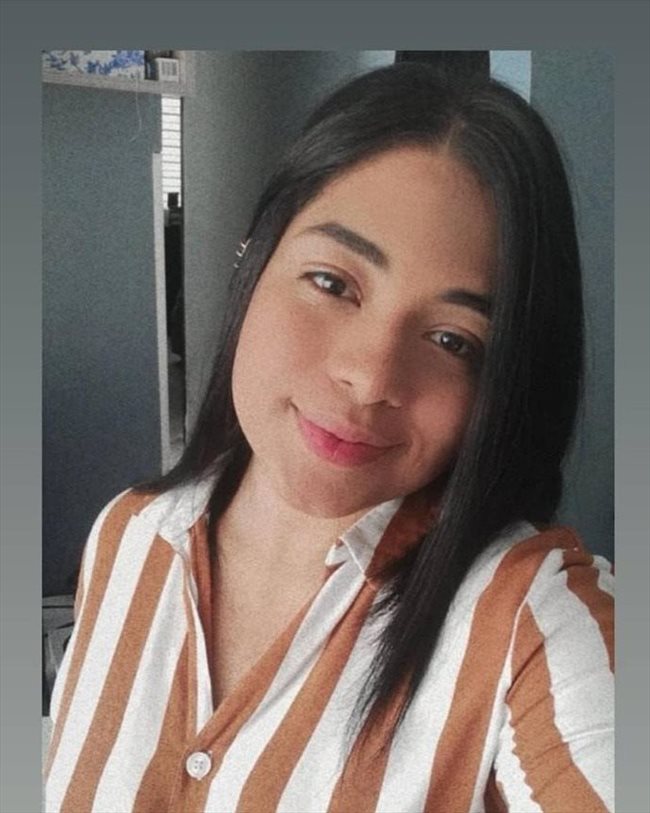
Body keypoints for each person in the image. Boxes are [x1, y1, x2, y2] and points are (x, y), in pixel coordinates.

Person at [44, 62, 614, 813]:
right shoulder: (126, 536)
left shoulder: (532, 626)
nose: (371, 376)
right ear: (254, 258)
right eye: (333, 283)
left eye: (452, 339)